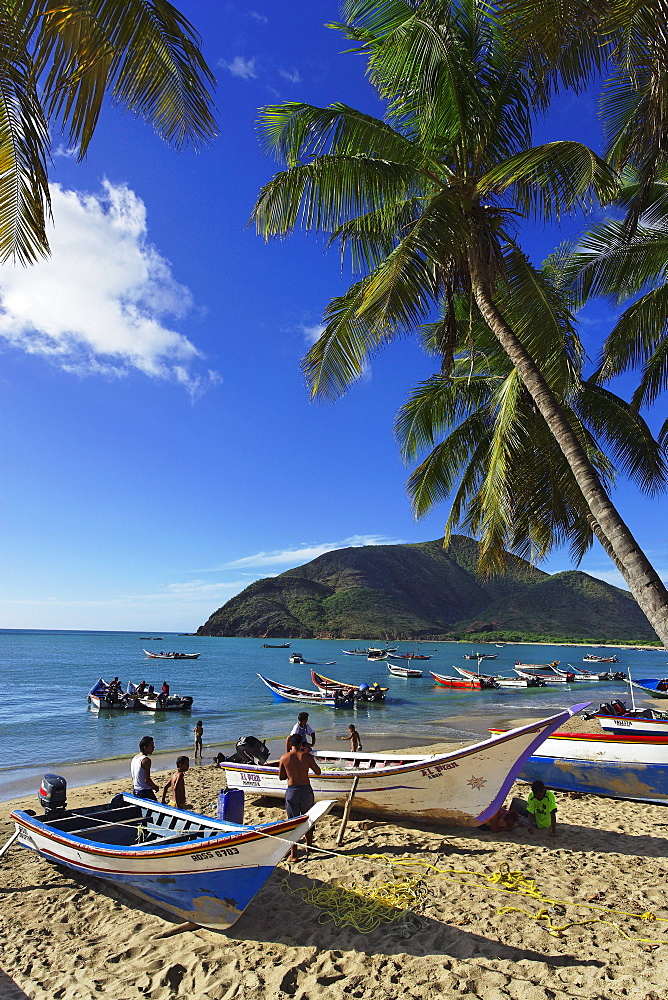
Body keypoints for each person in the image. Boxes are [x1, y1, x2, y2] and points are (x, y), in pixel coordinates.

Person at [278, 735, 322, 861]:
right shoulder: (307, 756)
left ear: (290, 744)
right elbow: (318, 771)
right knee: (308, 817)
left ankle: (294, 854)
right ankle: (309, 846)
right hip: (306, 789)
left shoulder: (284, 758)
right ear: (301, 744)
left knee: (293, 821)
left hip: (292, 790)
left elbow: (281, 777)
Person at [131, 736, 159, 801]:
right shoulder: (146, 760)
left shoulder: (135, 758)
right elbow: (147, 780)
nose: (153, 748)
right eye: (151, 746)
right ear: (145, 747)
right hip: (145, 791)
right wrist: (155, 787)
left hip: (136, 790)